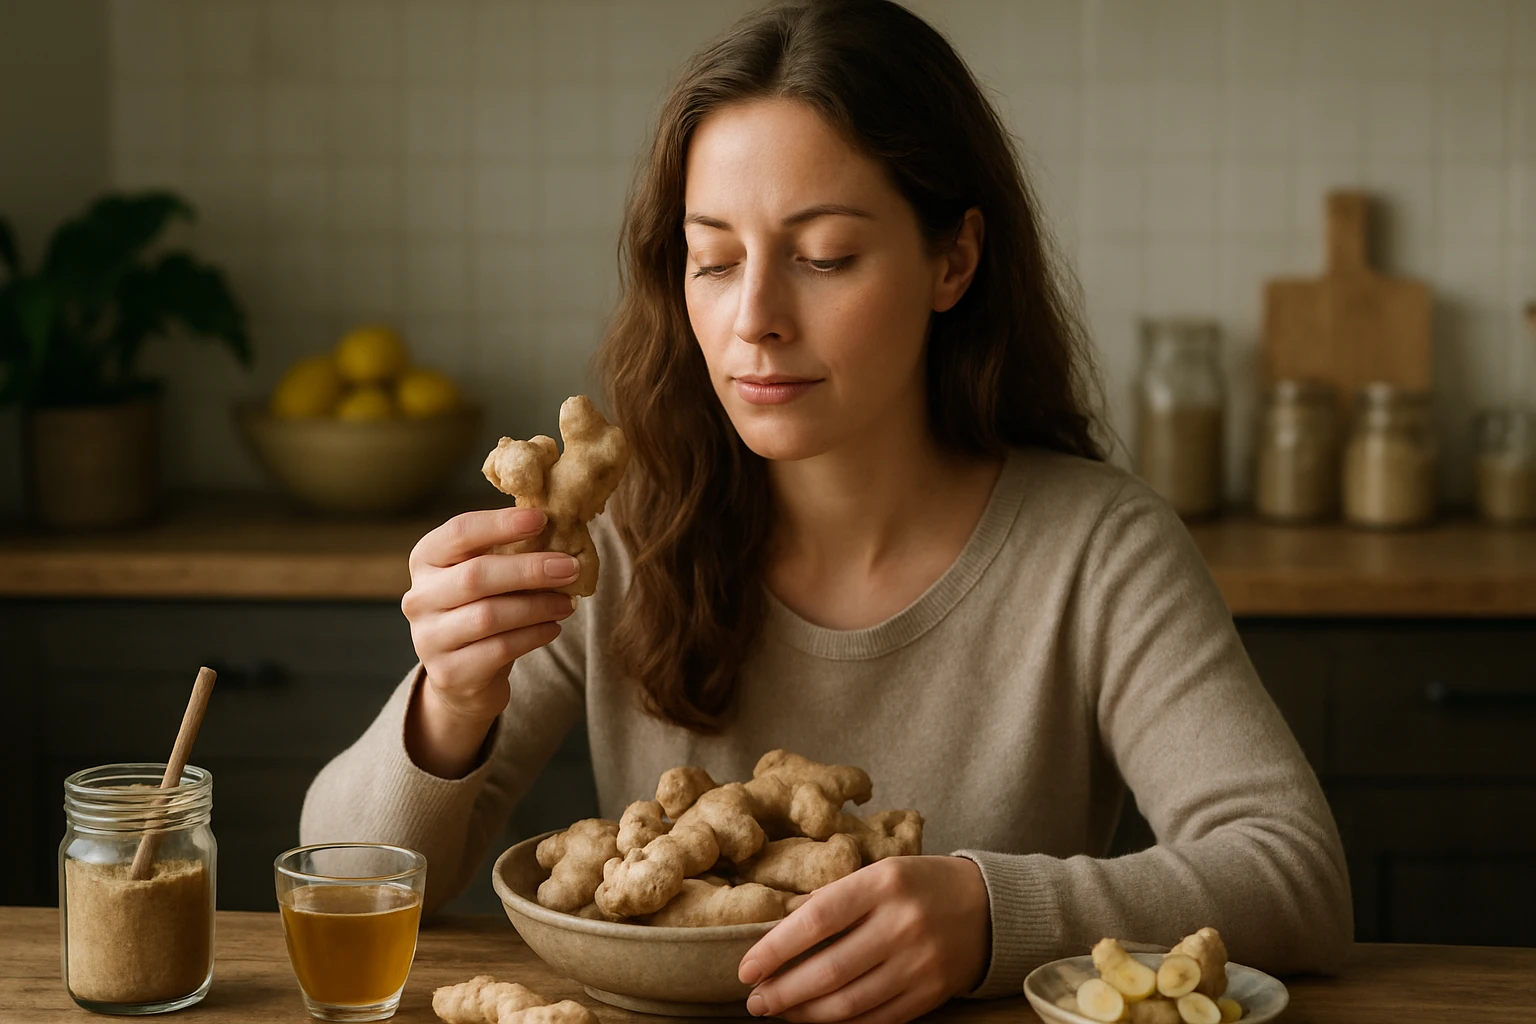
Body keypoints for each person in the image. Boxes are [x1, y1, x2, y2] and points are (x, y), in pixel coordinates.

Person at [301, 2, 1352, 1021]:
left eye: (824, 257)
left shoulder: (1096, 551)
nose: (753, 318)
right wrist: (449, 703)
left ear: (955, 259)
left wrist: (991, 919)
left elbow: (1295, 874)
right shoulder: (616, 538)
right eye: (713, 259)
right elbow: (344, 874)